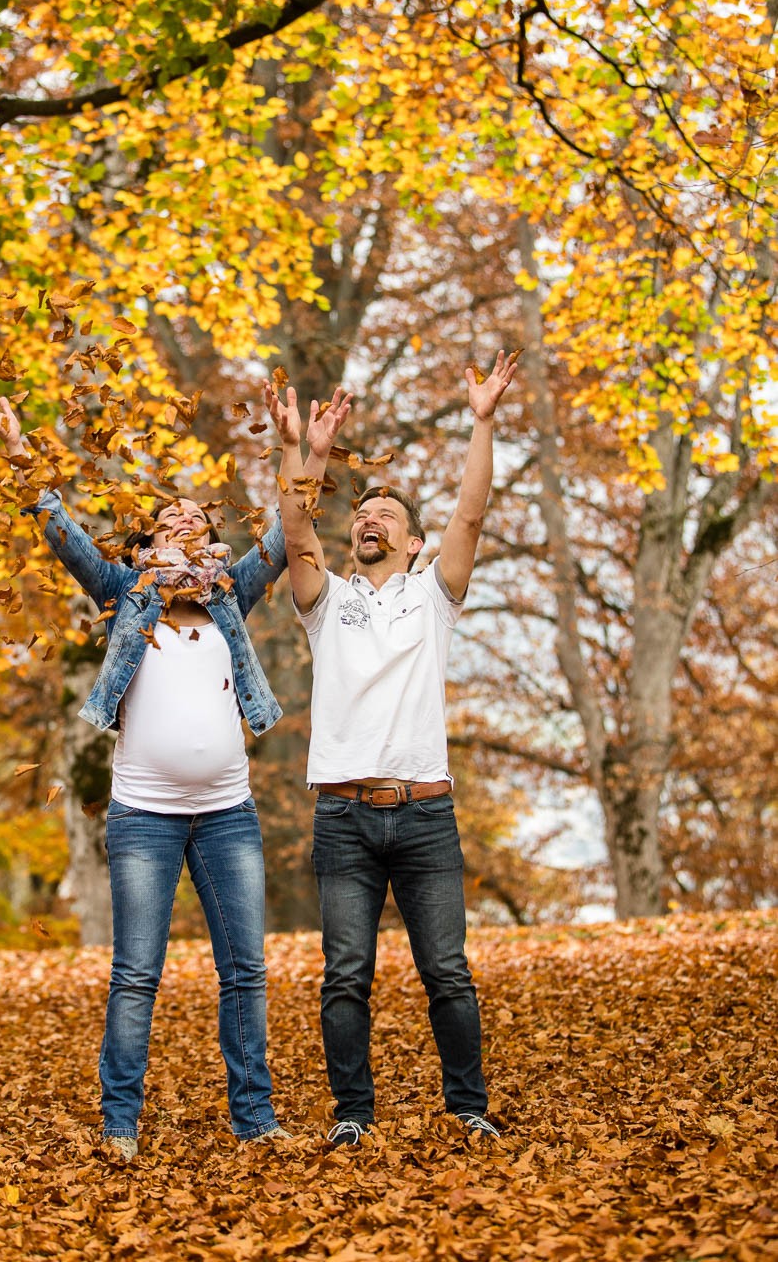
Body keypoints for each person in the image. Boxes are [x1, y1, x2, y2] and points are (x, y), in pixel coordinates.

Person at [0, 386, 302, 1157]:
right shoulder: (125, 594)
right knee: (136, 975)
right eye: (171, 517)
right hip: (143, 816)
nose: (187, 520)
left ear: (213, 541)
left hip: (227, 814)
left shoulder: (230, 596)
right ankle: (121, 1124)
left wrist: (298, 450)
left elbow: (287, 531)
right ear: (151, 540)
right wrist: (19, 448)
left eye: (199, 516)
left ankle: (255, 1121)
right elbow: (61, 532)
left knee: (245, 971)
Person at [265, 353, 517, 1147]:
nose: (368, 517)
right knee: (345, 976)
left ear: (410, 543)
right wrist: (308, 448)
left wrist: (480, 421)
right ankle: (352, 1117)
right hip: (341, 818)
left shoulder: (431, 598)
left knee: (446, 971)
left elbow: (470, 518)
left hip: (424, 815)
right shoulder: (325, 602)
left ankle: (466, 1108)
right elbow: (295, 525)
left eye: (385, 514)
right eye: (362, 510)